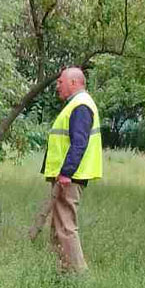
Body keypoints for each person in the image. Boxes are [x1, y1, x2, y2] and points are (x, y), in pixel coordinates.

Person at [39, 67, 102, 273]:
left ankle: (79, 276)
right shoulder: (76, 104)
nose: (57, 86)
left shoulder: (81, 105)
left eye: (60, 82)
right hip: (67, 176)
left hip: (70, 177)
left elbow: (79, 143)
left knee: (66, 227)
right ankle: (62, 273)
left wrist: (66, 171)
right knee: (58, 227)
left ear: (73, 83)